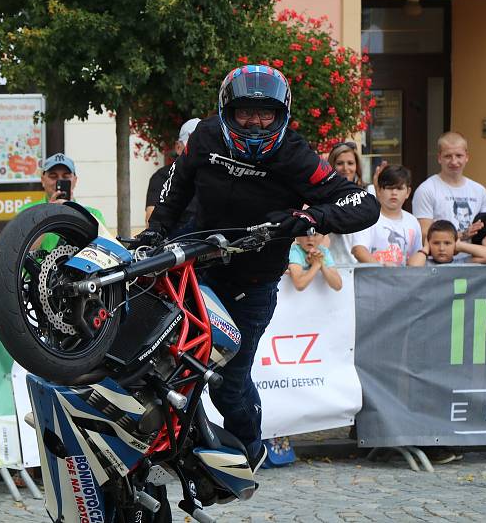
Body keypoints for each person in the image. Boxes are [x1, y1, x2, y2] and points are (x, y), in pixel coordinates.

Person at [140, 64, 379, 471]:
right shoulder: (207, 135)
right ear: (226, 111)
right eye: (244, 112)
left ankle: (250, 449)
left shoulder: (295, 154)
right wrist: (156, 231)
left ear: (281, 113)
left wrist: (311, 218)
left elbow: (362, 203)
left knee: (229, 383)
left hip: (255, 280)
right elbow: (175, 188)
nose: (254, 121)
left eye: (264, 112)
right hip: (199, 266)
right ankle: (163, 445)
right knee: (159, 355)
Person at [411, 132, 486, 260]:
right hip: (437, 265)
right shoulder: (426, 190)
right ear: (439, 157)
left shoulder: (480, 191)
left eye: (459, 156)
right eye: (448, 156)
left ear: (467, 157)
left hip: (472, 262)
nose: (454, 161)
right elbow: (425, 235)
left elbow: (485, 228)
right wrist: (462, 235)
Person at [17, 153, 106, 251]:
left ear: (75, 180)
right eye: (53, 176)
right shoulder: (26, 212)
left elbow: (101, 252)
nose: (59, 181)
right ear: (43, 180)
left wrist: (74, 211)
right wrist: (48, 213)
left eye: (66, 177)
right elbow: (20, 253)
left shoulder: (93, 215)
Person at [351, 165, 422, 266]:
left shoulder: (413, 221)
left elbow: (417, 254)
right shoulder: (367, 218)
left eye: (399, 188)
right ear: (379, 190)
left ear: (408, 192)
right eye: (389, 188)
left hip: (404, 280)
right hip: (373, 280)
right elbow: (358, 250)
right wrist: (381, 267)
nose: (394, 193)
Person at [145, 118, 201, 233]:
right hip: (176, 244)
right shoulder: (162, 176)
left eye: (201, 147)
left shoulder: (213, 175)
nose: (197, 152)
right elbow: (152, 220)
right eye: (191, 147)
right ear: (178, 147)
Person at [325, 142, 376, 265]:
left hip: (362, 266)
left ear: (357, 167)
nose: (345, 168)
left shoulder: (368, 193)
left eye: (350, 163)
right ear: (332, 166)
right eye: (339, 163)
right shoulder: (323, 195)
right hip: (332, 266)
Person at [408, 220, 486, 266]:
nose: (441, 248)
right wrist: (426, 248)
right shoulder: (424, 263)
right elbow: (413, 267)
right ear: (429, 243)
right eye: (436, 243)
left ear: (455, 243)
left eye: (447, 243)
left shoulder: (461, 264)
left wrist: (459, 246)